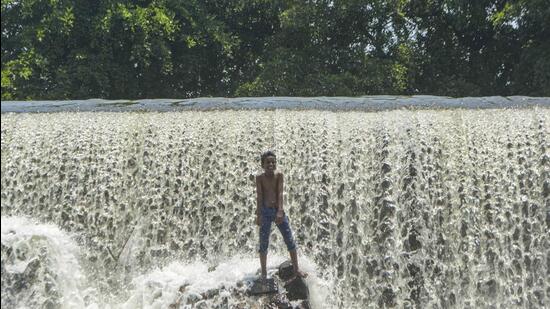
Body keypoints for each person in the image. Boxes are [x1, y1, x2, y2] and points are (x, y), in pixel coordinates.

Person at [255, 150, 307, 281]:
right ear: (262, 165)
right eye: (268, 162)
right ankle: (264, 273)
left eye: (273, 162)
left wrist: (280, 211)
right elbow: (259, 196)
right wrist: (259, 214)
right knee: (263, 243)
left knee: (289, 239)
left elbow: (280, 193)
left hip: (278, 211)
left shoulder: (279, 175)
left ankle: (296, 269)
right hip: (265, 212)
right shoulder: (259, 178)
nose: (271, 164)